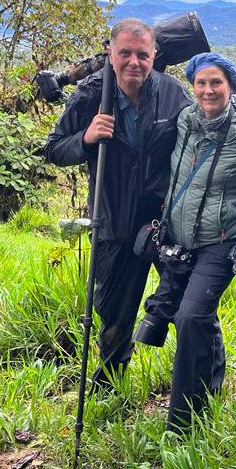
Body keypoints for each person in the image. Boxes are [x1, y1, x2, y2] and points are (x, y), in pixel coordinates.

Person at [44, 19, 191, 388]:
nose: (134, 62)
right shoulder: (92, 94)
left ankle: (201, 385)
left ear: (154, 55)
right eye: (125, 53)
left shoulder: (173, 94)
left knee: (193, 305)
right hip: (113, 220)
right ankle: (109, 383)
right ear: (110, 53)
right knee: (112, 313)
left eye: (142, 54)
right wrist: (86, 138)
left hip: (165, 221)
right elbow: (53, 148)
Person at [131, 52, 236, 433]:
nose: (208, 90)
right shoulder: (185, 120)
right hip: (177, 238)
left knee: (190, 316)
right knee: (197, 314)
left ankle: (183, 420)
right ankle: (213, 383)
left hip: (220, 241)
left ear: (231, 88)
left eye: (216, 83)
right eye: (201, 83)